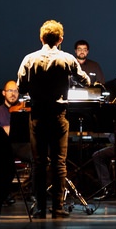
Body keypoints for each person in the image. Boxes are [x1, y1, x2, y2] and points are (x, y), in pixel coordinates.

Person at [16, 19, 91, 218]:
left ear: (41, 38)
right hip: (59, 117)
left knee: (39, 164)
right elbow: (86, 81)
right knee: (59, 163)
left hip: (38, 116)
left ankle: (40, 208)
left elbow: (21, 88)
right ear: (61, 39)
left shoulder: (29, 59)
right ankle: (57, 208)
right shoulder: (67, 58)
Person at [0, 80, 34, 201]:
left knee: (39, 157)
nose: (13, 94)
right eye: (10, 90)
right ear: (3, 93)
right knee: (1, 158)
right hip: (3, 146)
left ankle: (29, 189)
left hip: (22, 144)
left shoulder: (25, 110)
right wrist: (3, 130)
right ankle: (3, 193)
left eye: (16, 91)